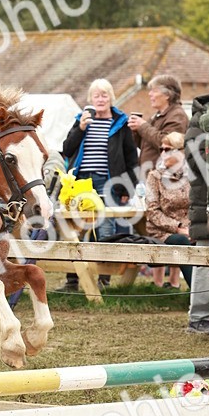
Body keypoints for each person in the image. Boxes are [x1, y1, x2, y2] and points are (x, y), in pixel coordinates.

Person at [61, 78, 139, 289]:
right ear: (90, 99)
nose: (101, 99)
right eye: (97, 95)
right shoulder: (81, 119)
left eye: (104, 95)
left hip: (108, 182)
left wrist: (127, 188)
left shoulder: (120, 123)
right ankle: (73, 280)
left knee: (105, 230)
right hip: (82, 182)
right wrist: (80, 128)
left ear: (111, 97)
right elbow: (67, 149)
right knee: (77, 230)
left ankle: (104, 279)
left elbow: (132, 159)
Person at [144, 133, 191, 289]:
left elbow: (198, 205)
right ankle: (201, 296)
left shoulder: (192, 176)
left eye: (168, 149)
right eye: (161, 149)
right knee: (182, 242)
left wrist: (190, 228)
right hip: (162, 232)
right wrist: (178, 228)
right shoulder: (154, 177)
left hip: (189, 228)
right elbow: (152, 211)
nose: (163, 153)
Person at [127, 75, 189, 173]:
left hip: (164, 178)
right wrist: (135, 131)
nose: (149, 94)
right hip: (151, 176)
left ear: (167, 95)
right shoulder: (158, 116)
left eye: (154, 91)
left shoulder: (177, 116)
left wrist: (143, 126)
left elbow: (166, 144)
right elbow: (146, 146)